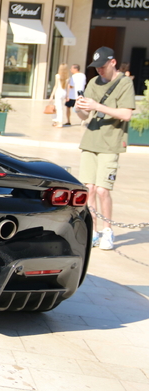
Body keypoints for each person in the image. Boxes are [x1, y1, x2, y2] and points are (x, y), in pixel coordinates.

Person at [75, 47, 135, 251]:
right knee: (89, 188)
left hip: (111, 143)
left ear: (113, 62)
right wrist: (79, 108)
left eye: (102, 66)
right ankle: (93, 231)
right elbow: (85, 116)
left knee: (102, 190)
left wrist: (97, 106)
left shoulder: (125, 83)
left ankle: (108, 230)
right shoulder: (93, 82)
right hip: (90, 140)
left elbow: (126, 114)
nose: (99, 70)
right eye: (96, 67)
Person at [49, 63, 70, 128]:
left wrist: (51, 95)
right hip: (64, 92)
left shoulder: (57, 76)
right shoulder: (68, 77)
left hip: (58, 92)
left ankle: (59, 122)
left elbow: (55, 86)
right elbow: (68, 87)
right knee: (60, 107)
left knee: (58, 107)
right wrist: (67, 96)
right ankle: (57, 121)